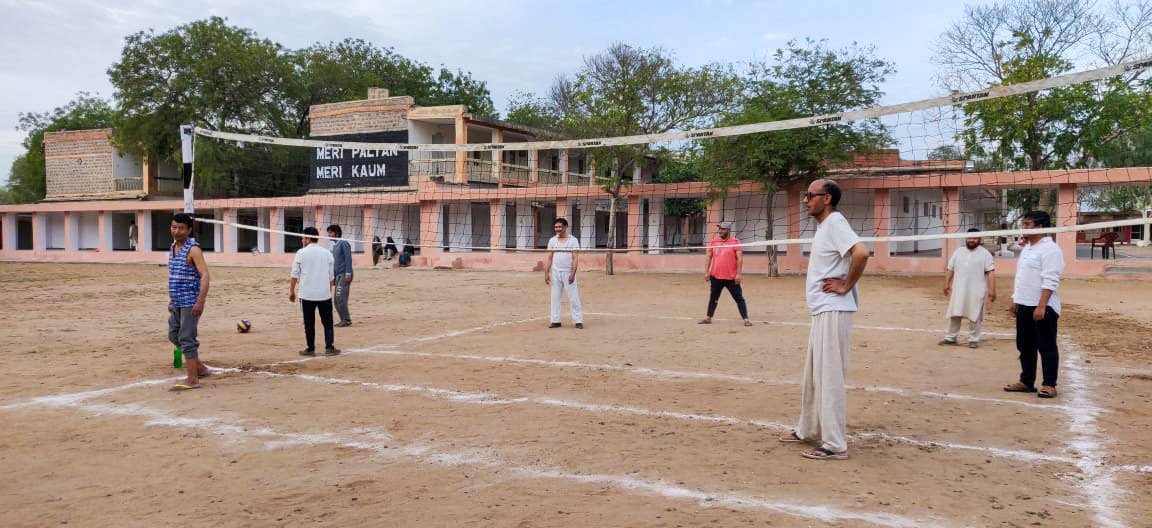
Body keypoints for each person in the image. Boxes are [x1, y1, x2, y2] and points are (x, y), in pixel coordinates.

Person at [780, 179, 869, 460]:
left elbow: (862, 252)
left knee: (829, 377)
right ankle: (808, 429)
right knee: (814, 375)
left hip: (834, 308)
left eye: (810, 195)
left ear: (827, 199)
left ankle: (835, 444)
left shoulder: (835, 223)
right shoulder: (825, 227)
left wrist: (845, 285)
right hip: (823, 309)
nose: (805, 200)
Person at [1004, 211, 1065, 399]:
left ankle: (1049, 384)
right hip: (1024, 304)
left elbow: (1051, 279)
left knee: (1046, 346)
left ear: (1041, 227)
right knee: (1025, 345)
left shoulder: (1050, 249)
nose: (1024, 227)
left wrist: (1042, 306)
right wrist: (1016, 300)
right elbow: (1022, 278)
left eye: (1027, 224)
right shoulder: (1027, 248)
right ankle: (1026, 381)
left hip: (1042, 306)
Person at [167, 213, 211, 392]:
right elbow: (176, 274)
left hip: (190, 302)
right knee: (173, 334)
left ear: (189, 230)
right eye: (174, 227)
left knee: (186, 338)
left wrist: (200, 301)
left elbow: (205, 275)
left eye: (181, 228)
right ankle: (199, 367)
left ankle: (193, 379)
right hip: (177, 301)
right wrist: (172, 297)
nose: (176, 231)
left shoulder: (193, 249)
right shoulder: (172, 247)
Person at [940, 228, 996, 348]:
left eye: (974, 238)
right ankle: (951, 338)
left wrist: (992, 289)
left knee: (974, 315)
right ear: (966, 238)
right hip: (959, 289)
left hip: (977, 290)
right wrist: (946, 284)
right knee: (955, 313)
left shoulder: (985, 254)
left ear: (979, 239)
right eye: (969, 237)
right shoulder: (958, 252)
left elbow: (990, 272)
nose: (971, 240)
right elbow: (950, 268)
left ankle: (973, 339)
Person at [290, 227, 339, 356]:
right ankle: (330, 347)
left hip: (307, 294)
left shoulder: (301, 253)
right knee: (328, 322)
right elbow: (331, 276)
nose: (302, 240)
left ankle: (310, 348)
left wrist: (291, 291)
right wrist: (328, 291)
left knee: (309, 323)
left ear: (308, 238)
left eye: (303, 238)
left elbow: (295, 274)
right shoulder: (327, 253)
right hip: (323, 294)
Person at [699, 221, 751, 327]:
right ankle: (708, 318)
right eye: (720, 229)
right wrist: (706, 272)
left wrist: (738, 274)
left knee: (738, 298)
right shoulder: (714, 242)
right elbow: (708, 257)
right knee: (713, 297)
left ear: (728, 230)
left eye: (722, 229)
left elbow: (740, 259)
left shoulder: (735, 242)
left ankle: (746, 319)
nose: (720, 231)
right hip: (715, 276)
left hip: (731, 277)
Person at [545, 218, 584, 329]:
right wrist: (546, 272)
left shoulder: (573, 240)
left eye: (560, 227)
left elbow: (575, 258)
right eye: (556, 227)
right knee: (555, 297)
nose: (558, 229)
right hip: (555, 272)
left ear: (566, 227)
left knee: (573, 297)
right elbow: (549, 257)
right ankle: (555, 320)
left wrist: (572, 273)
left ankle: (578, 321)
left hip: (568, 272)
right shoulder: (552, 240)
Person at [327, 224, 353, 327]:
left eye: (330, 232)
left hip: (344, 274)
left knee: (340, 297)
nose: (328, 235)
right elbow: (334, 263)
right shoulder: (334, 246)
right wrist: (332, 277)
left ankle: (346, 320)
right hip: (337, 275)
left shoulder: (344, 243)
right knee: (336, 300)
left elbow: (348, 259)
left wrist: (348, 273)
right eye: (328, 232)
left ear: (336, 233)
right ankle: (343, 319)